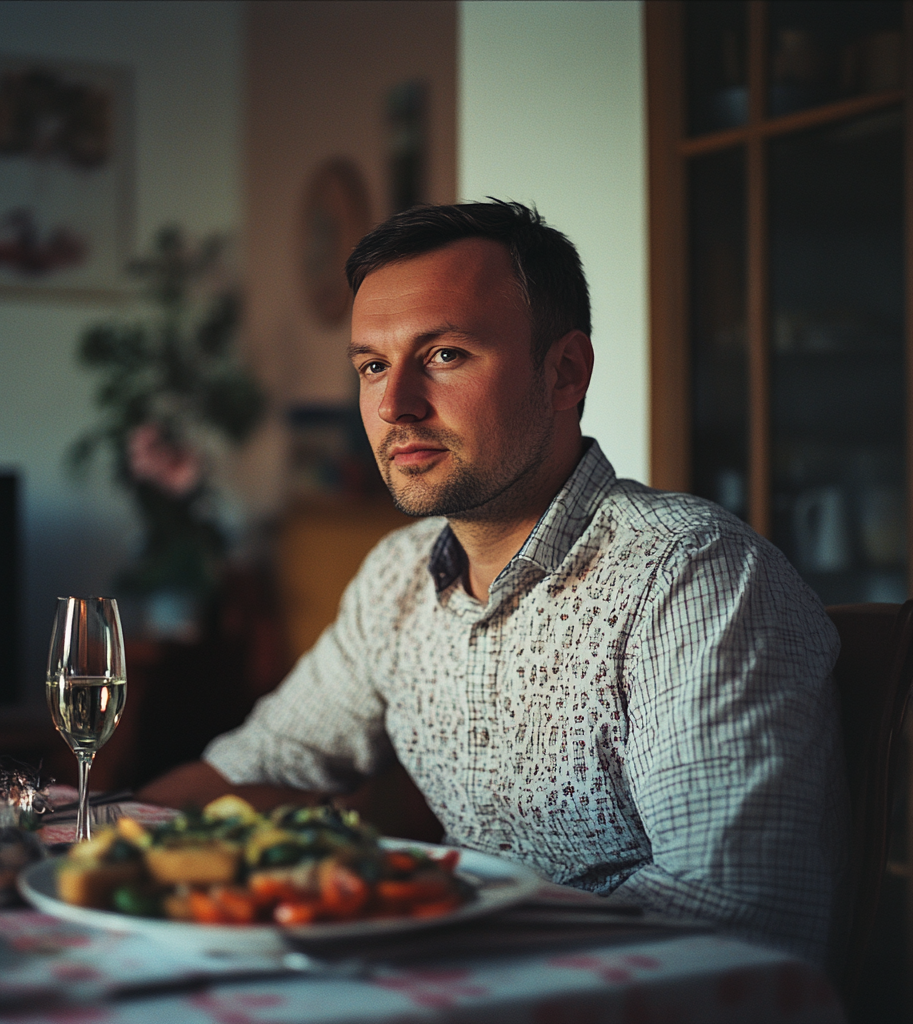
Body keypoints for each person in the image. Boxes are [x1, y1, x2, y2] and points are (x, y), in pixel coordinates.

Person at [139, 201, 846, 964]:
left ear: (565, 371)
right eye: (373, 364)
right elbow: (260, 764)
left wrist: (418, 924)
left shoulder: (689, 576)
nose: (393, 404)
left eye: (444, 355)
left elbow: (739, 916)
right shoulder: (398, 576)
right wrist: (84, 831)